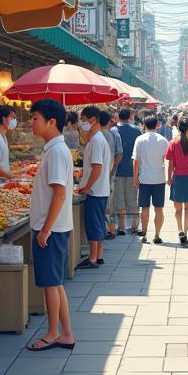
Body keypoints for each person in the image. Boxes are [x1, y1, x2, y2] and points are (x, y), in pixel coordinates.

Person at [26, 97, 76, 352]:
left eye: (35, 118)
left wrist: (45, 229)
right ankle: (65, 332)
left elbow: (59, 193)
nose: (31, 122)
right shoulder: (55, 149)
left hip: (51, 229)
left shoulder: (56, 152)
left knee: (50, 283)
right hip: (54, 226)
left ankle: (53, 332)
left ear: (51, 122)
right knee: (54, 283)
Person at [75, 105, 111, 270]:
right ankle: (99, 256)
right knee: (97, 223)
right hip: (99, 189)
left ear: (93, 120)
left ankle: (93, 258)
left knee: (93, 225)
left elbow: (97, 167)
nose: (82, 123)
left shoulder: (97, 140)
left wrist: (88, 186)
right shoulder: (97, 138)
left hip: (95, 191)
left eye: (84, 120)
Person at [133, 115, 168, 244]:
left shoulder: (140, 140)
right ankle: (157, 234)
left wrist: (135, 178)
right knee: (159, 208)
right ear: (157, 125)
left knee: (145, 208)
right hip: (159, 178)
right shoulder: (163, 140)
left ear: (144, 124)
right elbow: (166, 159)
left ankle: (145, 233)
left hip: (145, 178)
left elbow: (136, 161)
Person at [166, 116, 188, 245]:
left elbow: (170, 164)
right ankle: (185, 231)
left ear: (178, 127)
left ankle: (179, 229)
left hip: (177, 177)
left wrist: (169, 178)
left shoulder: (172, 143)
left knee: (178, 209)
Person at [113, 108, 141, 236]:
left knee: (119, 198)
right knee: (132, 197)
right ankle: (135, 225)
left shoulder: (113, 131)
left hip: (116, 169)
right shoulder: (136, 131)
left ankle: (122, 227)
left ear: (118, 116)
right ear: (130, 116)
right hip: (132, 169)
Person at [100, 111, 123, 240]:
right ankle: (109, 229)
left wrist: (111, 168)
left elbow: (119, 153)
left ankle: (110, 229)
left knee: (108, 203)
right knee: (107, 202)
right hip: (106, 173)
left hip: (107, 174)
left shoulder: (111, 134)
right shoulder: (110, 134)